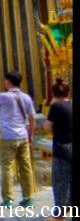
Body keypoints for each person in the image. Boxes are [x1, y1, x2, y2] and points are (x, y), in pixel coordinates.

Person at [0, 71, 35, 207]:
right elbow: (32, 118)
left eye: (5, 80)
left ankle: (8, 199)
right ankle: (28, 198)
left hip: (8, 136)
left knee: (7, 167)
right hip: (23, 136)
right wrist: (31, 135)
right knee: (25, 167)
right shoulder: (26, 97)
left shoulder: (3, 96)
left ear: (7, 81)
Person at [45, 78, 72, 221]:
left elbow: (48, 126)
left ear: (53, 94)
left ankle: (60, 215)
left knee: (61, 182)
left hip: (61, 150)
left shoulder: (55, 107)